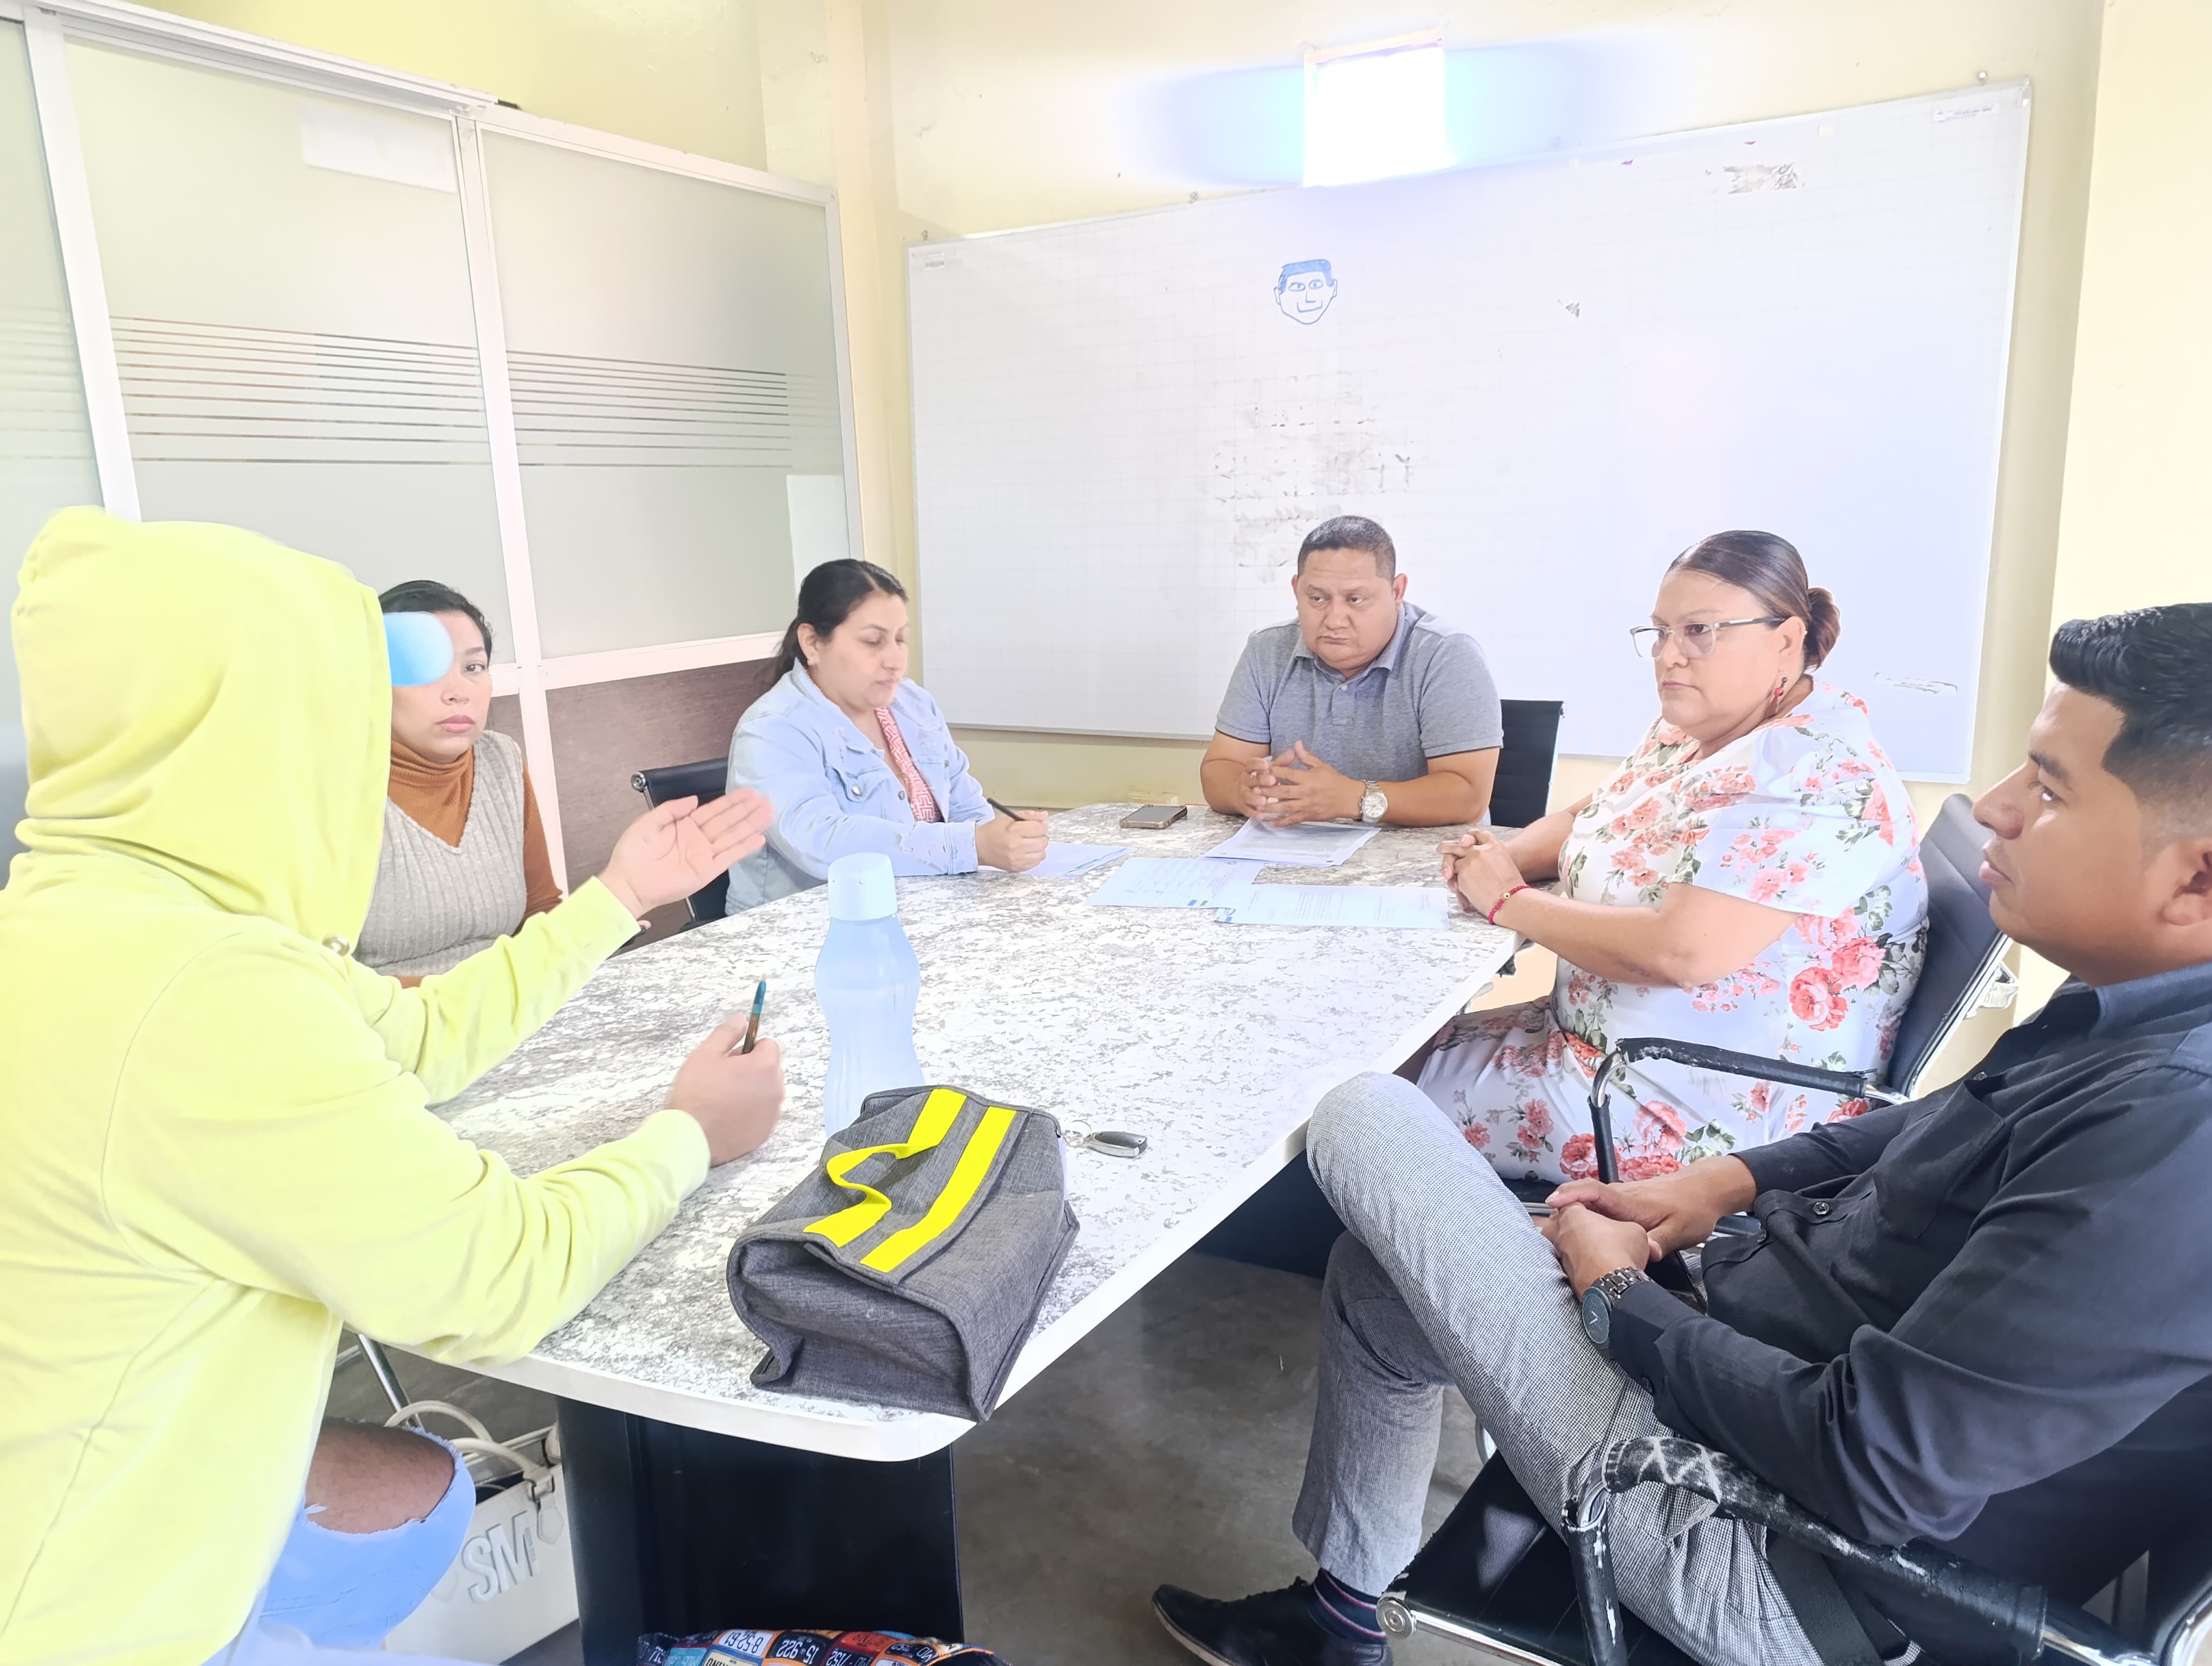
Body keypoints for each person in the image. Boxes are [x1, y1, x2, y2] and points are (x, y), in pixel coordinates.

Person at [1152, 602, 2212, 1666]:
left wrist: (1621, 1299)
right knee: (1377, 1283)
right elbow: (1916, 1128)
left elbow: (1870, 1466)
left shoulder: (2174, 1135)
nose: (1997, 807)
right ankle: (1341, 1626)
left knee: (1359, 1105)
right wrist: (1720, 1184)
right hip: (1759, 1339)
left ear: (2198, 876)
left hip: (1771, 1553)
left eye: (2049, 788)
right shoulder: (2132, 1013)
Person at [0, 509, 788, 1664]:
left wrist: (617, 896)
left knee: (425, 1498)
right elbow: (497, 1276)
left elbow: (418, 1038)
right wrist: (689, 1134)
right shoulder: (208, 995)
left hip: (65, 1482)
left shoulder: (87, 921)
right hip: (99, 1618)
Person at [1414, 531, 1926, 1183]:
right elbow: (1591, 817)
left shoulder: (1810, 771)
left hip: (1697, 1103)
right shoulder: (1695, 729)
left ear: (1786, 639)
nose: (1669, 655)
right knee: (1378, 1056)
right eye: (1660, 632)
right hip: (1607, 1049)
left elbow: (1682, 952)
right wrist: (1498, 857)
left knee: (1370, 1102)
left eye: (1700, 632)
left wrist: (1507, 900)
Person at [725, 558, 1047, 912]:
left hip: (917, 915)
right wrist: (971, 845)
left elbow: (965, 805)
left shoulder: (914, 704)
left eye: (900, 639)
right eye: (873, 641)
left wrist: (1005, 841)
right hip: (800, 930)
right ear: (812, 643)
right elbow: (822, 843)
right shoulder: (771, 729)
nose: (895, 660)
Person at [1199, 516, 1502, 830]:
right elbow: (1221, 768)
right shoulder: (1267, 650)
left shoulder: (1446, 654)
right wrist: (1243, 791)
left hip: (1422, 853)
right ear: (1296, 590)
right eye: (1317, 599)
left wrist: (1354, 798)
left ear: (1397, 592)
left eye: (1355, 600)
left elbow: (1468, 797)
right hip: (1297, 846)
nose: (1334, 620)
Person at [357, 579, 559, 984]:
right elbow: (308, 975)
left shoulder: (501, 759)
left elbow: (540, 910)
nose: (458, 692)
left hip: (512, 1006)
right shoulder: (329, 785)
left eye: (473, 668)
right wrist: (474, 996)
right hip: (388, 1019)